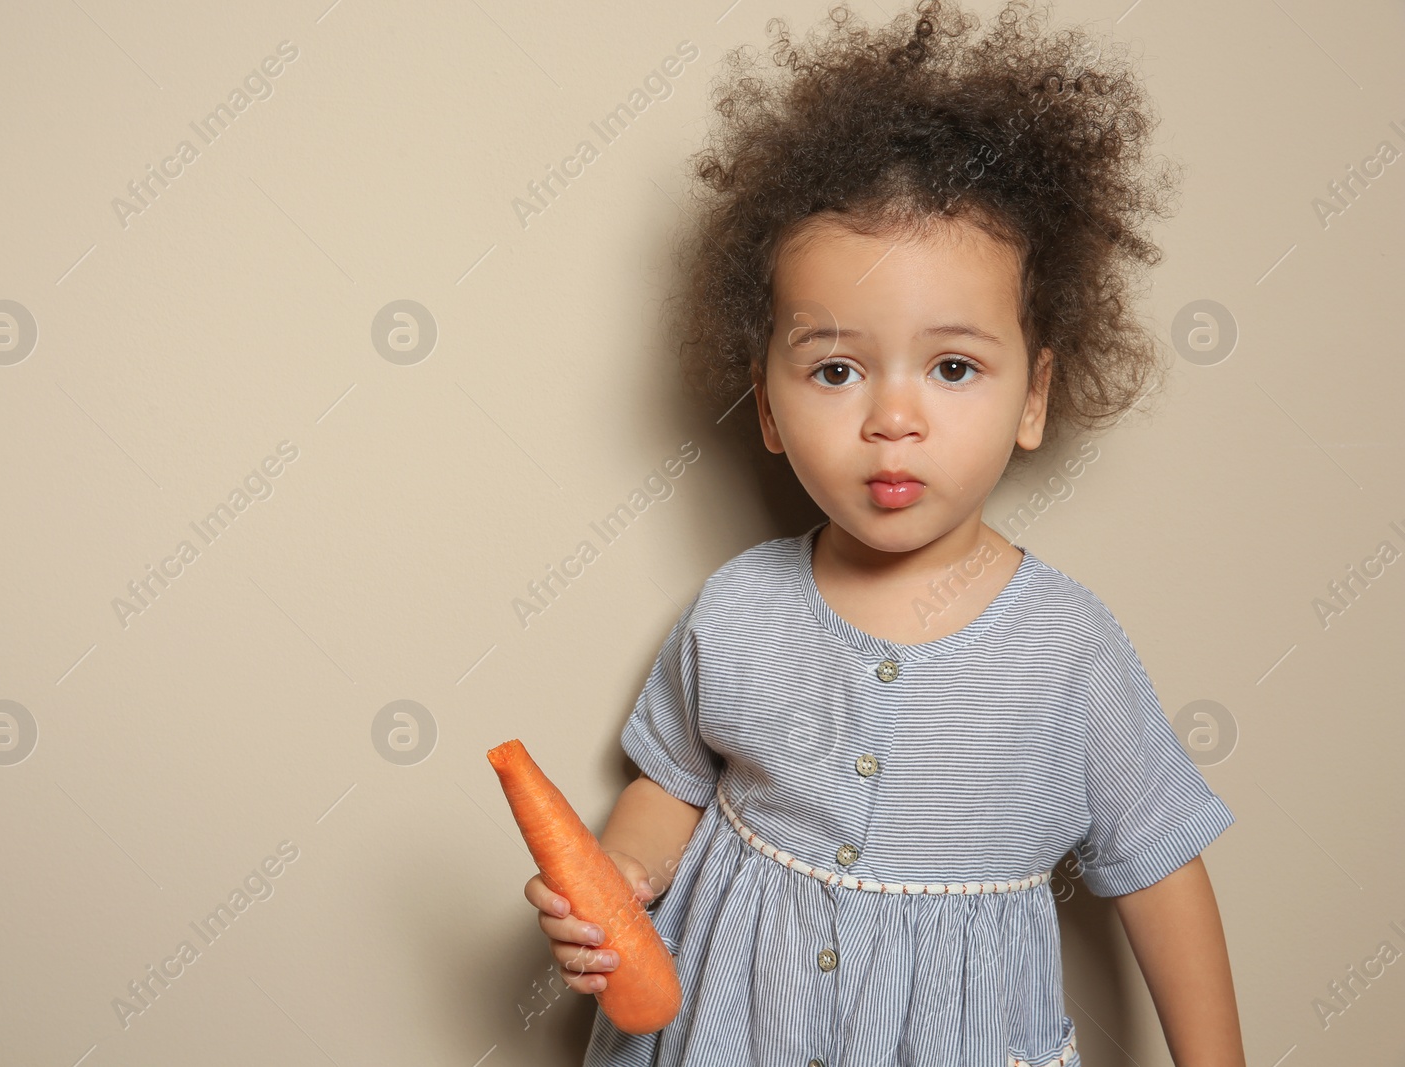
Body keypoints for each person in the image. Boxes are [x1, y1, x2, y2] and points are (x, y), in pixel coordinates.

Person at [523, 2, 1246, 1064]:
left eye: (952, 367)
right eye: (834, 369)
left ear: (1034, 397)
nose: (890, 419)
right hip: (733, 1029)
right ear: (767, 407)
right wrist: (613, 884)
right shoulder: (736, 609)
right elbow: (667, 785)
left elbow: (1160, 868)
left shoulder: (1068, 652)